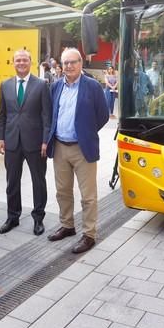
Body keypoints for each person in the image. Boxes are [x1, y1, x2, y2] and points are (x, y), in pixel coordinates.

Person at [46, 48, 109, 254]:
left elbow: (103, 115)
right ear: (61, 66)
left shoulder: (92, 86)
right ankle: (67, 226)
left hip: (83, 149)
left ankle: (89, 234)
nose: (69, 66)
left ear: (81, 63)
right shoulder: (56, 87)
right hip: (61, 147)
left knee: (87, 196)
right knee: (62, 191)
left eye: (73, 62)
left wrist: (86, 132)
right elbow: (52, 114)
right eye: (66, 63)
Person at [0, 50, 52, 236]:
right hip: (12, 140)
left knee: (38, 181)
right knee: (12, 181)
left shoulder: (41, 85)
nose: (21, 63)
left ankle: (38, 218)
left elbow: (46, 115)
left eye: (24, 60)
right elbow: (2, 115)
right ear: (13, 63)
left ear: (31, 62)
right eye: (18, 60)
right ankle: (13, 217)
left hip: (35, 142)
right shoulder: (5, 85)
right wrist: (0, 137)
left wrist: (45, 140)